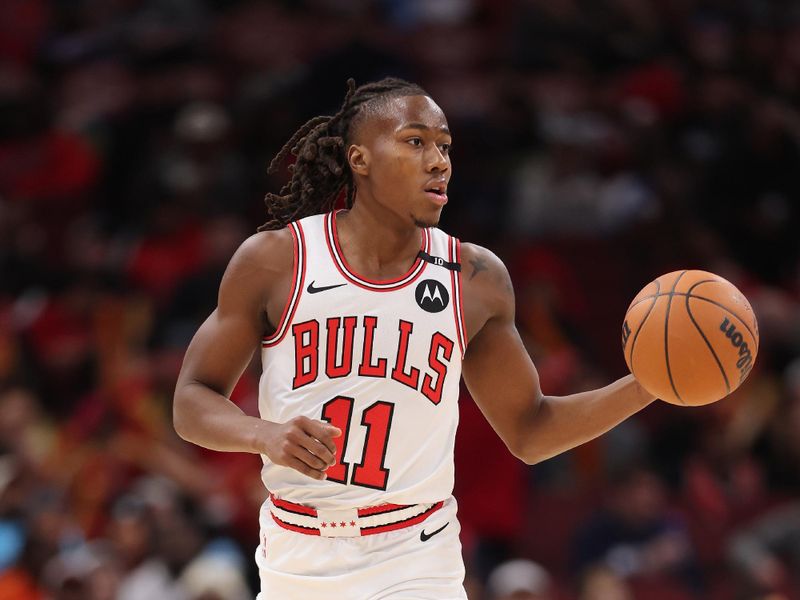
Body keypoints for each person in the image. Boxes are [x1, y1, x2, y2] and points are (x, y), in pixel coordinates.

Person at [172, 77, 657, 599]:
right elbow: (191, 399)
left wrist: (648, 385)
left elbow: (531, 431)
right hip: (296, 557)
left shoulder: (473, 279)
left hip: (417, 556)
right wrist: (261, 435)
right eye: (415, 141)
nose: (439, 161)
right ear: (360, 159)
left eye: (445, 146)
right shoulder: (275, 260)